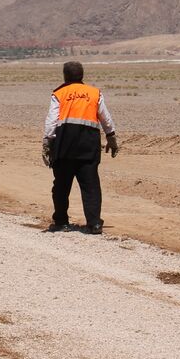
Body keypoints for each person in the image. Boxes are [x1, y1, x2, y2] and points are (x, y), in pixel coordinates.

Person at [42, 61, 119, 234]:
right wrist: (111, 136)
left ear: (65, 75)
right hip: (88, 145)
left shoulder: (59, 93)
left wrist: (47, 142)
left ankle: (61, 222)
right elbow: (105, 116)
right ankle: (94, 224)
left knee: (61, 186)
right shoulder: (94, 93)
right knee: (91, 185)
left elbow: (52, 120)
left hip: (64, 145)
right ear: (82, 75)